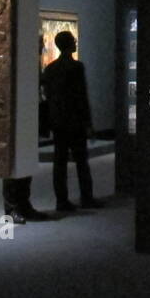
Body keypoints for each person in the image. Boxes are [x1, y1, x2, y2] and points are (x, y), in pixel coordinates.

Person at [40, 30, 100, 212]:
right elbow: (81, 97)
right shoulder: (76, 67)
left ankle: (61, 201)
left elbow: (47, 96)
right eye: (73, 41)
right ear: (69, 44)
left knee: (60, 163)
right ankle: (86, 197)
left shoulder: (50, 69)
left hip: (58, 121)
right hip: (75, 121)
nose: (75, 43)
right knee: (82, 161)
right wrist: (88, 123)